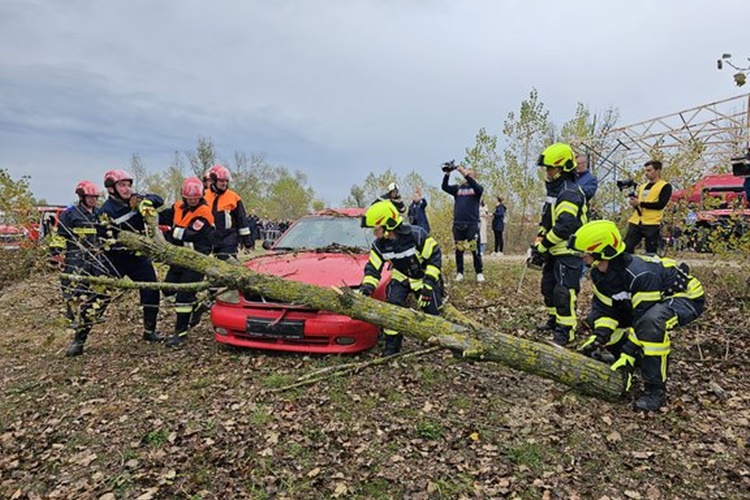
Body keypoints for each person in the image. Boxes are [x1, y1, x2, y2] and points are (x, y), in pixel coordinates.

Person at [569, 220, 704, 411]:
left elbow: (642, 319)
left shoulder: (640, 275)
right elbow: (605, 310)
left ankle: (655, 390)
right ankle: (632, 363)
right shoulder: (600, 275)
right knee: (594, 319)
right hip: (645, 306)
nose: (583, 258)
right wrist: (599, 337)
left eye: (586, 254)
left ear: (602, 252)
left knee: (651, 325)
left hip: (684, 297)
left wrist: (629, 351)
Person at [359, 200, 443, 356]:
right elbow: (373, 269)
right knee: (393, 308)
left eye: (375, 229)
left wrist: (429, 284)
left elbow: (434, 257)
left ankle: (441, 341)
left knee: (432, 310)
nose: (374, 233)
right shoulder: (379, 246)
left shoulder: (416, 235)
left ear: (388, 225)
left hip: (423, 277)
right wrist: (366, 289)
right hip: (401, 277)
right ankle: (392, 347)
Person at [529, 143, 588, 346]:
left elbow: (564, 225)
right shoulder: (555, 191)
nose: (548, 172)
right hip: (554, 249)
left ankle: (566, 332)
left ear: (563, 168)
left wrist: (543, 245)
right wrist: (539, 240)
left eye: (551, 168)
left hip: (569, 250)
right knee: (548, 288)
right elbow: (547, 220)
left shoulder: (570, 192)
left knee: (564, 292)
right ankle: (555, 321)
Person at [99, 169, 165, 342]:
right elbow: (102, 239)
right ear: (111, 188)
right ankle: (80, 338)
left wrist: (145, 200)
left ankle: (149, 331)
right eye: (122, 185)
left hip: (138, 258)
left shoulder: (135, 201)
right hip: (115, 259)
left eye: (128, 185)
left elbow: (159, 200)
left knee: (151, 290)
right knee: (101, 293)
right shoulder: (106, 211)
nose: (127, 189)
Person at [158, 178, 215, 347]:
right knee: (167, 289)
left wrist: (169, 231)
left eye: (195, 198)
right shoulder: (177, 207)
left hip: (196, 259)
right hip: (179, 258)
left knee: (183, 297)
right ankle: (196, 305)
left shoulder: (205, 212)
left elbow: (189, 234)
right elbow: (162, 217)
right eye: (189, 198)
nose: (192, 201)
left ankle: (180, 333)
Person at [59, 181, 110, 357]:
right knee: (73, 286)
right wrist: (55, 255)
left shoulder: (99, 213)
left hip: (96, 255)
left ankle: (93, 313)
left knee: (99, 286)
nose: (93, 200)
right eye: (90, 197)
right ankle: (72, 317)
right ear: (81, 197)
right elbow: (59, 236)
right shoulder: (70, 214)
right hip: (76, 254)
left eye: (95, 197)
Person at [441, 164, 484, 282]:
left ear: (474, 175)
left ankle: (479, 272)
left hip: (472, 223)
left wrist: (463, 172)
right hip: (458, 224)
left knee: (474, 248)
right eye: (466, 172)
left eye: (470, 172)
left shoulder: (477, 189)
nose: (467, 174)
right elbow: (444, 187)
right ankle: (460, 272)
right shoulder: (458, 188)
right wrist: (447, 174)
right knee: (459, 250)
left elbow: (478, 188)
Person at [203, 164, 254, 260]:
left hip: (228, 238)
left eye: (226, 181)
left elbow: (242, 221)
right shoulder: (204, 196)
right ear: (214, 181)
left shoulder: (234, 197)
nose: (224, 184)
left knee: (226, 260)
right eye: (221, 181)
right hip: (208, 238)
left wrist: (247, 242)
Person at [624, 160, 673, 254]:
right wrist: (634, 203)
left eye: (649, 170)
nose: (646, 173)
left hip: (652, 223)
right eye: (645, 171)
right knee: (627, 247)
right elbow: (640, 202)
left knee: (651, 251)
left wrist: (640, 203)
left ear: (657, 171)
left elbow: (661, 205)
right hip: (636, 221)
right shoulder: (642, 187)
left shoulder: (665, 186)